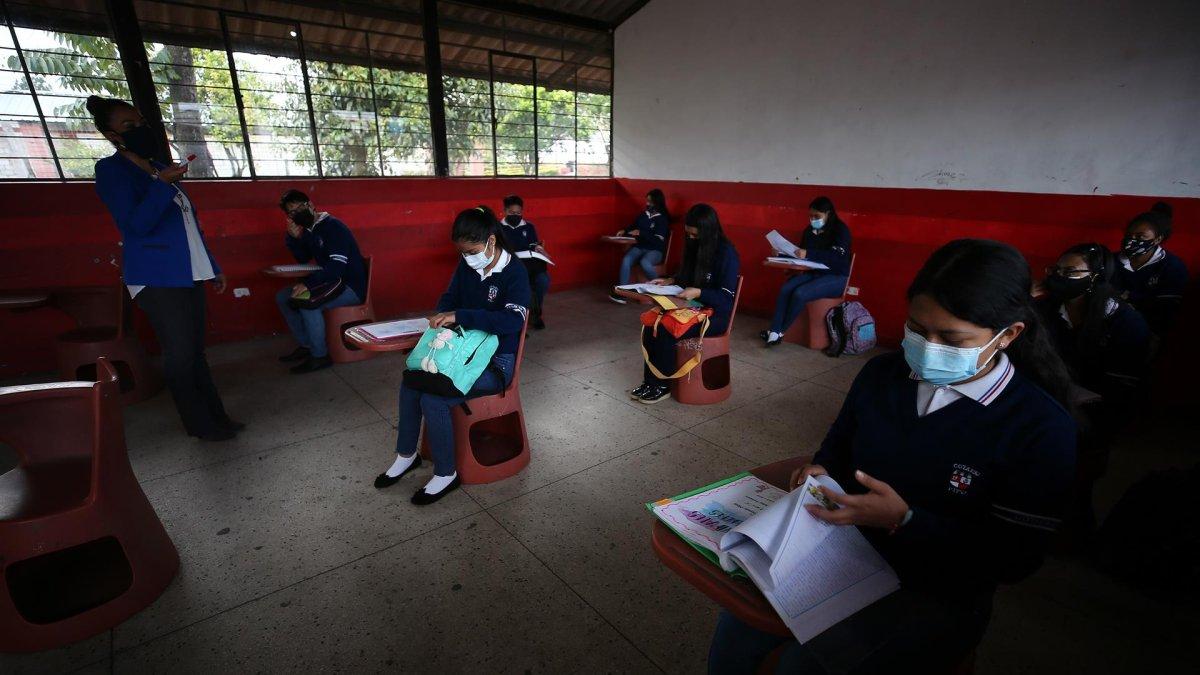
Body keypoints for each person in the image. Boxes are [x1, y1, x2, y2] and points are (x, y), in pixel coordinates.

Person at [709, 239, 1076, 674]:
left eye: (951, 338)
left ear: (1008, 334)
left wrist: (904, 520)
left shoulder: (1039, 426)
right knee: (734, 633)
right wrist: (822, 469)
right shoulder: (883, 374)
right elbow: (840, 443)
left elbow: (1014, 558)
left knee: (800, 667)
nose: (927, 346)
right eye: (917, 330)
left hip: (938, 590)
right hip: (842, 552)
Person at [88, 95, 242, 442]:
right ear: (112, 135)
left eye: (141, 122)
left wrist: (213, 266)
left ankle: (217, 416)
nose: (140, 129)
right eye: (129, 126)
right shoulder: (112, 171)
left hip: (189, 271)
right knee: (180, 354)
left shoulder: (159, 165)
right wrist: (161, 185)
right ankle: (199, 424)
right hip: (157, 277)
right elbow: (135, 225)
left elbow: (189, 225)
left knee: (195, 351)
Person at [374, 206, 530, 505]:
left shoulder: (515, 273)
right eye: (463, 252)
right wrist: (442, 312)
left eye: (472, 251)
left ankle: (446, 473)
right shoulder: (466, 265)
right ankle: (407, 455)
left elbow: (513, 322)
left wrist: (461, 315)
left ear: (492, 241)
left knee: (435, 397)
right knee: (412, 383)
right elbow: (450, 297)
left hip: (496, 361)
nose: (468, 258)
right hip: (458, 349)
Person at [1037, 243, 1151, 536]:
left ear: (1096, 277)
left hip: (1098, 411)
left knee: (1079, 477)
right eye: (1057, 270)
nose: (1060, 277)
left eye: (1071, 272)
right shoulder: (1045, 309)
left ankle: (1077, 532)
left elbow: (1123, 386)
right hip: (1052, 402)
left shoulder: (1124, 321)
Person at [631, 203, 740, 404]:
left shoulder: (726, 253)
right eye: (688, 234)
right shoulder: (694, 245)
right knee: (650, 325)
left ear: (708, 232)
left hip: (715, 315)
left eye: (694, 235)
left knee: (666, 329)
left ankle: (662, 385)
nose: (690, 238)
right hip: (691, 307)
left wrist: (699, 291)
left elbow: (726, 299)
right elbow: (685, 277)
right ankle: (650, 381)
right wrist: (670, 281)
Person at [274, 189, 368, 373]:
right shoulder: (310, 230)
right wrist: (293, 238)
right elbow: (302, 257)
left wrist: (308, 285)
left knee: (307, 303)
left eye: (298, 209)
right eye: (291, 213)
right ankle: (307, 345)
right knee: (283, 297)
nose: (296, 215)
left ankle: (320, 356)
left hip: (349, 286)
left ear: (310, 205)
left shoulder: (333, 227)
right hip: (331, 283)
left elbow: (336, 267)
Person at [761, 196, 852, 346]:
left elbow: (836, 256)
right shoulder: (810, 231)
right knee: (786, 288)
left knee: (800, 293)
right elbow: (800, 253)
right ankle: (774, 331)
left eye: (817, 216)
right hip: (813, 273)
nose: (813, 219)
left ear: (828, 213)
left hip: (836, 277)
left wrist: (809, 253)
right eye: (810, 216)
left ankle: (781, 332)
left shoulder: (840, 230)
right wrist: (781, 254)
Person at [1114, 202, 1189, 337]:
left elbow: (1165, 313)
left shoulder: (1172, 267)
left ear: (1157, 239)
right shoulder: (1111, 260)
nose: (1131, 240)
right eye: (1129, 235)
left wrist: (1127, 299)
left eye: (1140, 237)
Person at [609, 189, 671, 304]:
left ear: (657, 202)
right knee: (626, 259)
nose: (647, 204)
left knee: (645, 262)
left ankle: (661, 289)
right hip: (640, 246)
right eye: (647, 201)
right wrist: (624, 230)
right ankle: (622, 292)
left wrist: (642, 233)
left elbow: (658, 241)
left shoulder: (662, 219)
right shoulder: (643, 215)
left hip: (655, 250)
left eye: (650, 202)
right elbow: (633, 227)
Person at [499, 194, 549, 329]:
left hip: (529, 265)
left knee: (542, 281)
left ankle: (535, 313)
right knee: (519, 284)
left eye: (518, 212)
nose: (515, 215)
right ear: (505, 211)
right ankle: (518, 320)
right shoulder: (498, 228)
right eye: (511, 212)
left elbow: (533, 244)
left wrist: (538, 248)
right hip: (507, 266)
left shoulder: (529, 227)